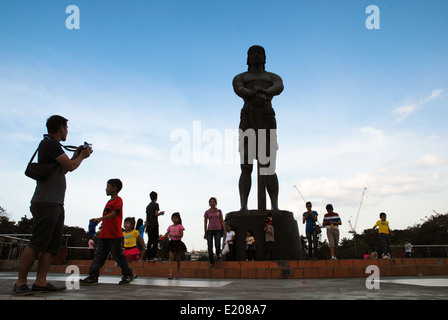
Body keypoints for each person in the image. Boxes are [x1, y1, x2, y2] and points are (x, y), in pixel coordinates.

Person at [13, 115, 92, 296]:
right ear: (60, 128)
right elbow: (71, 167)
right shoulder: (50, 144)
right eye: (66, 128)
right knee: (37, 243)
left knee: (51, 246)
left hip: (55, 202)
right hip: (46, 201)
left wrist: (76, 156)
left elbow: (64, 169)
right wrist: (82, 156)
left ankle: (41, 282)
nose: (67, 131)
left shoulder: (53, 146)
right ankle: (20, 283)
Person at [233, 45, 284, 211]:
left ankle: (274, 205)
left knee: (269, 165)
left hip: (267, 116)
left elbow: (279, 86)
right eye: (253, 53)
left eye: (259, 53)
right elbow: (238, 88)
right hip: (248, 117)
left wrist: (264, 91)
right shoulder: (241, 76)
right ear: (248, 57)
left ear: (264, 57)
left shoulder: (272, 76)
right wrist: (254, 94)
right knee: (246, 164)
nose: (256, 56)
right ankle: (243, 205)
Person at [80, 179, 134, 285]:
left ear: (115, 188)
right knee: (99, 256)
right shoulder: (108, 202)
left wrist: (100, 218)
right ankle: (93, 276)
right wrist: (97, 221)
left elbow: (115, 213)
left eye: (108, 186)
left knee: (118, 256)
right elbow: (107, 217)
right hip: (104, 234)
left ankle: (128, 274)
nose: (106, 188)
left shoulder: (118, 200)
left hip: (114, 234)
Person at [203, 197, 226, 267]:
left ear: (216, 203)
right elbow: (205, 223)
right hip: (210, 230)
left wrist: (224, 230)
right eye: (211, 202)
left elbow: (222, 221)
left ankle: (218, 254)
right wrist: (205, 232)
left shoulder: (219, 211)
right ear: (209, 203)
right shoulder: (207, 212)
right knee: (209, 246)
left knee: (217, 244)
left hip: (218, 230)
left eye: (213, 202)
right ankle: (211, 262)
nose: (212, 203)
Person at [166, 212, 187, 279]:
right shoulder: (170, 227)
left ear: (178, 219)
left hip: (178, 242)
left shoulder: (180, 226)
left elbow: (181, 235)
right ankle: (170, 272)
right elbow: (167, 233)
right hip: (172, 242)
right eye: (173, 218)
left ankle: (178, 272)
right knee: (171, 257)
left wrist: (173, 235)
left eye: (176, 218)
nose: (174, 219)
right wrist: (163, 237)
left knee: (178, 258)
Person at [145, 191, 165, 261]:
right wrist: (161, 213)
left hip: (149, 225)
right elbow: (156, 214)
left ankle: (148, 256)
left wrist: (146, 226)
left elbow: (147, 217)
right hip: (154, 224)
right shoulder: (156, 204)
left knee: (150, 241)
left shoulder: (148, 206)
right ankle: (154, 256)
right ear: (156, 197)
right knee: (155, 241)